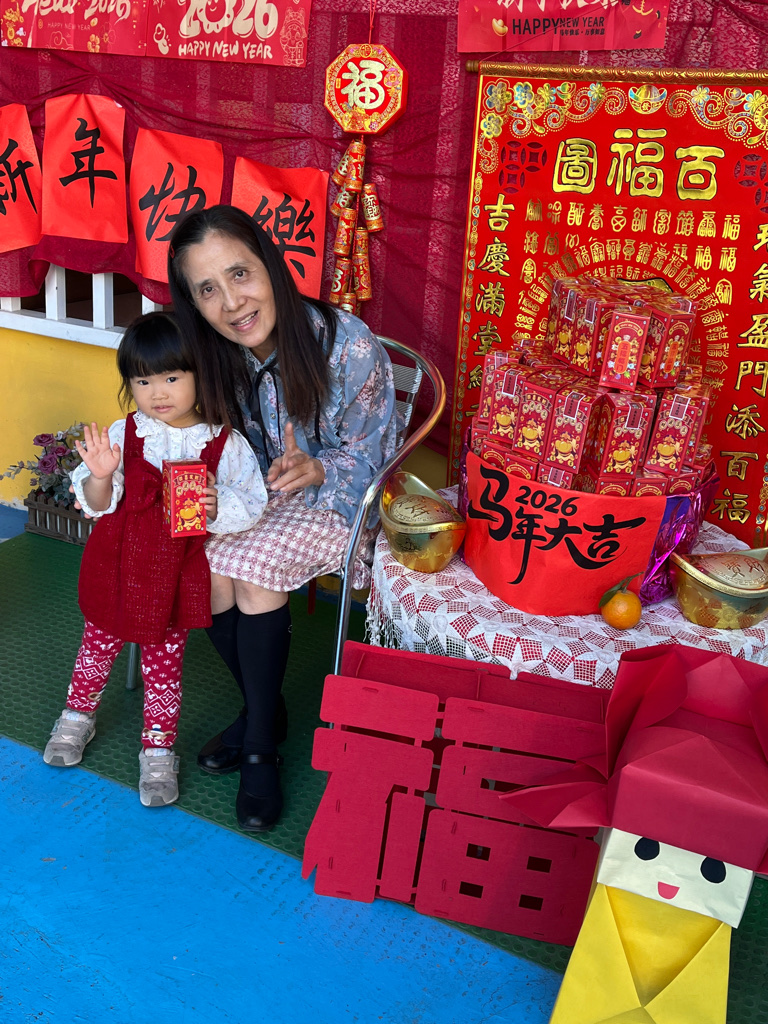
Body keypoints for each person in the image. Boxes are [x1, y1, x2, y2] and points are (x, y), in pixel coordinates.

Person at [167, 204, 397, 833]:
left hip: (342, 504)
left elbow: (378, 456)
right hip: (258, 499)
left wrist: (319, 469)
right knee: (200, 568)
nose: (231, 303)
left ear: (270, 264)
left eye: (240, 274)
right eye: (207, 289)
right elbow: (199, 438)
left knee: (251, 572)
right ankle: (264, 711)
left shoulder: (346, 343)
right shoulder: (212, 355)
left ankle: (260, 746)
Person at [43, 311, 267, 808]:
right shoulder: (125, 433)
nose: (157, 392)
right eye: (142, 381)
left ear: (200, 374)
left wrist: (216, 506)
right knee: (95, 649)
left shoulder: (225, 442)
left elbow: (251, 504)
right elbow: (97, 504)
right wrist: (101, 475)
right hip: (117, 566)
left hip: (175, 575)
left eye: (171, 377)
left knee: (164, 667)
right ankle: (77, 715)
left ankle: (159, 747)